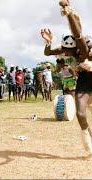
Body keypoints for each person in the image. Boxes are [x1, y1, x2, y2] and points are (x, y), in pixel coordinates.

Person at [41, 0, 92, 156]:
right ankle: (89, 144)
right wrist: (48, 42)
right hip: (84, 80)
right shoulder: (67, 48)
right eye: (65, 51)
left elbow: (77, 33)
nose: (66, 54)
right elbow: (47, 53)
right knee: (81, 114)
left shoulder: (82, 49)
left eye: (68, 52)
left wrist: (68, 11)